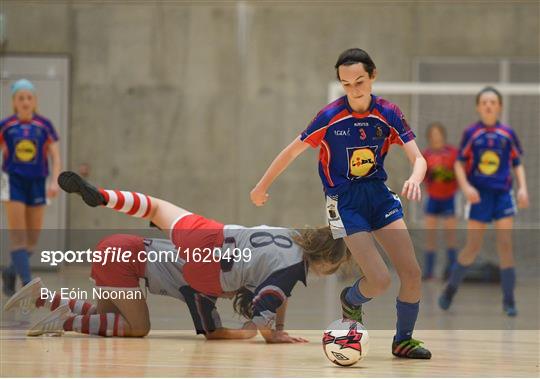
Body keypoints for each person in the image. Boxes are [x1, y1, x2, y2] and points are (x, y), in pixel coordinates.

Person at [250, 48, 431, 358]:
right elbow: (291, 151)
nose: (354, 89)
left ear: (373, 76)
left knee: (412, 273)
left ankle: (403, 341)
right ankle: (351, 299)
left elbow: (419, 158)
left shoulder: (388, 113)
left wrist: (415, 177)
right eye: (346, 84)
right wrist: (261, 185)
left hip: (377, 194)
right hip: (342, 203)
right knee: (380, 280)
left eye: (359, 81)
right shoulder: (329, 116)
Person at [49, 170, 350, 342]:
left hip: (208, 234)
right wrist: (270, 335)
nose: (329, 273)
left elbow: (280, 293)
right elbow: (264, 309)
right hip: (210, 272)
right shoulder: (294, 267)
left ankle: (103, 196)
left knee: (155, 207)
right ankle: (62, 320)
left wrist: (278, 327)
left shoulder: (290, 234)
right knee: (140, 327)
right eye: (333, 267)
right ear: (325, 259)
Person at [4, 234, 257, 340]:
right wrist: (247, 332)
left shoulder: (215, 259)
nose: (225, 296)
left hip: (116, 247)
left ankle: (43, 297)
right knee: (139, 327)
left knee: (108, 320)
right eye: (232, 293)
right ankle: (63, 322)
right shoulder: (208, 283)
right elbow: (211, 333)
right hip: (123, 258)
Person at [439, 87, 529, 317]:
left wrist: (523, 189)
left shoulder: (507, 133)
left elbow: (517, 163)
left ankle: (509, 301)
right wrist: (466, 187)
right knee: (472, 247)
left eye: (493, 102)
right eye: (484, 102)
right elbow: (459, 163)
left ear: (499, 106)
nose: (489, 105)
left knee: (505, 245)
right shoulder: (472, 133)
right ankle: (450, 289)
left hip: (502, 196)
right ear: (478, 107)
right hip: (479, 196)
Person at [1, 79, 61, 296]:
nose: (25, 102)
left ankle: (9, 271)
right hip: (13, 182)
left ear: (34, 101)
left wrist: (55, 181)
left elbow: (55, 156)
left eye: (29, 98)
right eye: (21, 98)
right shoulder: (6, 125)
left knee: (32, 241)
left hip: (38, 183)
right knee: (18, 237)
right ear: (14, 102)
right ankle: (28, 286)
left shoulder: (44, 125)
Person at [421, 122, 459, 280]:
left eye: (438, 134)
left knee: (450, 235)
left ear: (443, 135)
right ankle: (429, 271)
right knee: (430, 235)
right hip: (433, 198)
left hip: (449, 198)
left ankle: (451, 270)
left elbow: (460, 173)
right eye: (433, 135)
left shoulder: (453, 153)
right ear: (429, 137)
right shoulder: (426, 154)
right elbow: (422, 176)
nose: (436, 137)